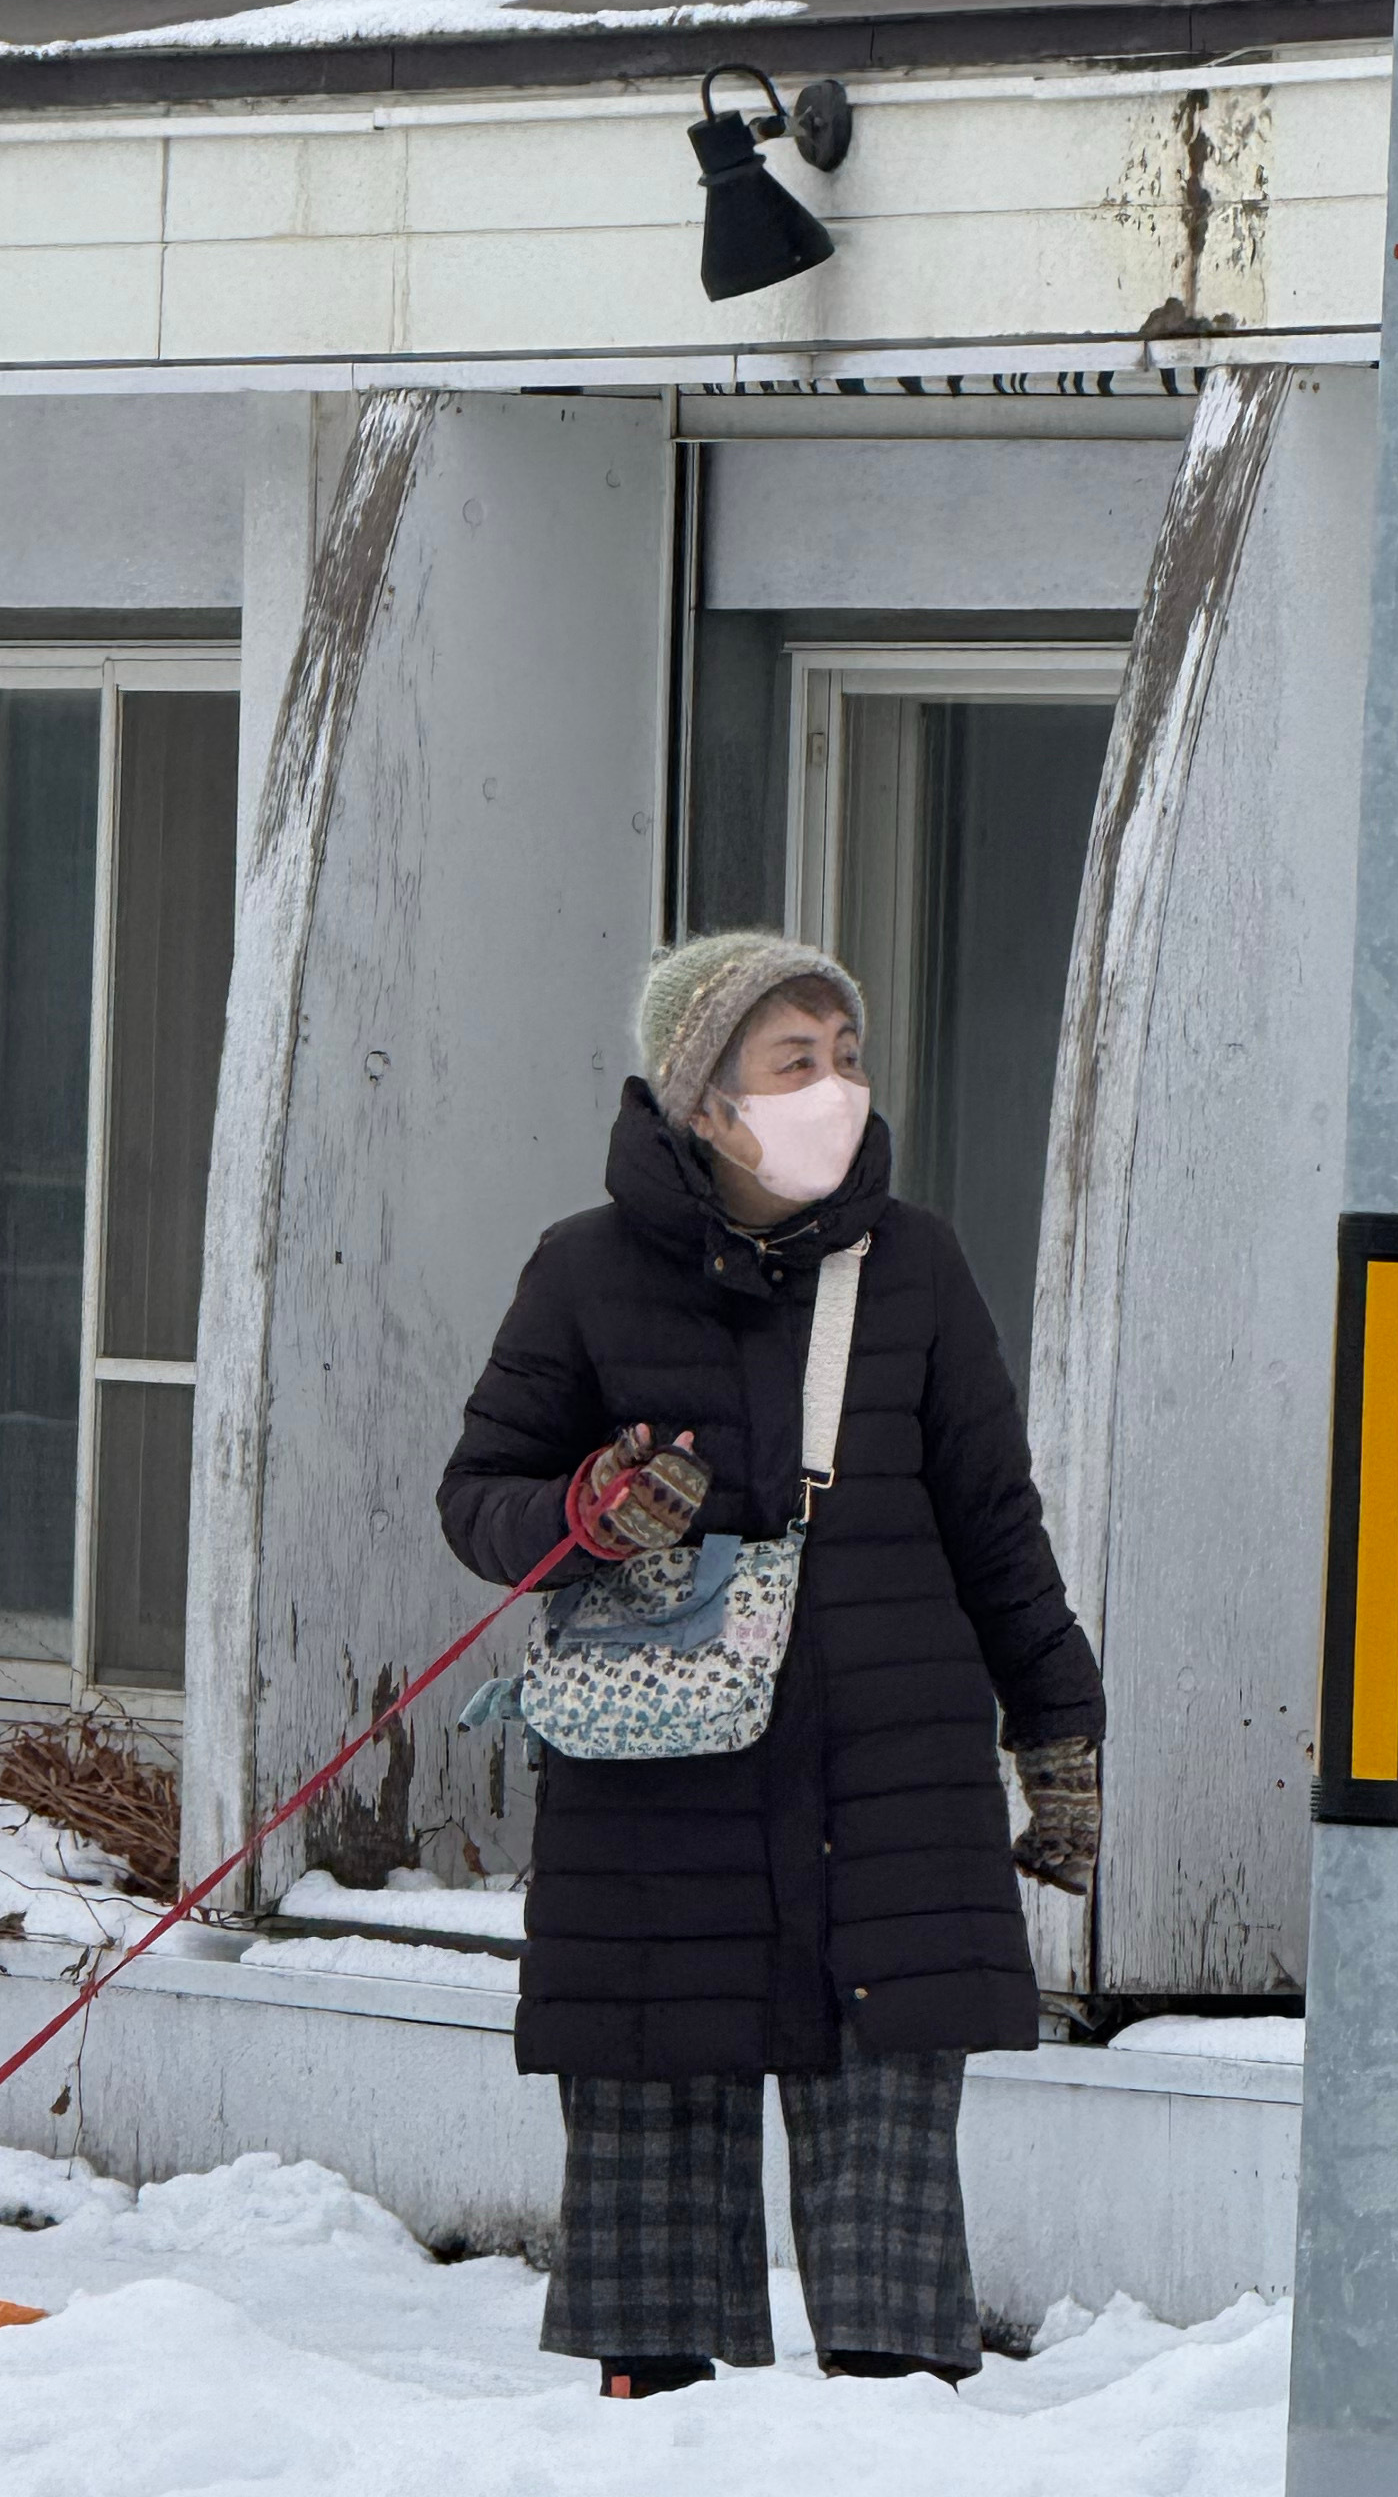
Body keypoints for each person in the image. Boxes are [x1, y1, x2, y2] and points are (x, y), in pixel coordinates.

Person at [437, 929, 1103, 2399]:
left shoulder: (914, 1265)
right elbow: (480, 1500)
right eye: (794, 1064)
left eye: (848, 1059)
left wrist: (1060, 1731)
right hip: (656, 1803)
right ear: (705, 1101)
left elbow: (997, 1522)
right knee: (650, 2230)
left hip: (892, 1792)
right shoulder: (583, 1272)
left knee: (890, 2260)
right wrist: (585, 1514)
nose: (837, 1090)